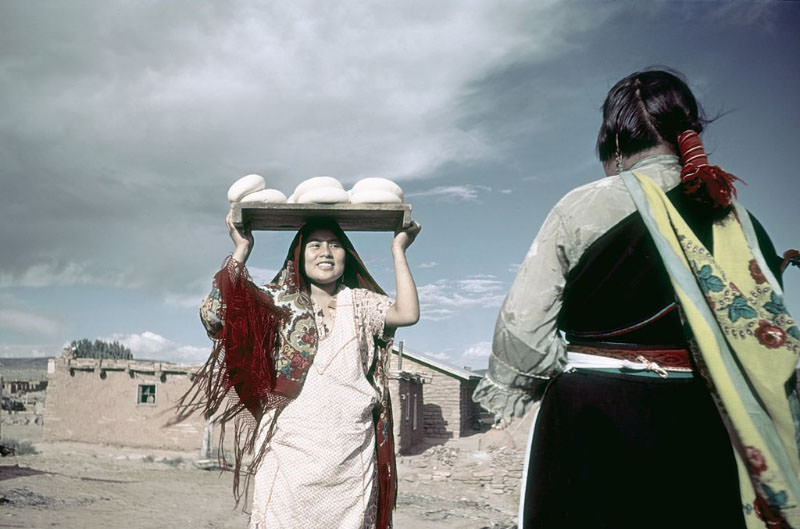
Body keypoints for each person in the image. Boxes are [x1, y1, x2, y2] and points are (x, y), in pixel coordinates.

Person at [472, 69, 800, 529]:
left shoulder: (582, 206)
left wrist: (528, 381)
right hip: (706, 419)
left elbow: (524, 329)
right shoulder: (738, 220)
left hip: (593, 417)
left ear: (615, 143)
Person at [175, 212, 421, 529]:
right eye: (315, 245)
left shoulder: (360, 303)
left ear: (347, 254)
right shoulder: (278, 301)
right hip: (289, 446)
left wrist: (399, 249)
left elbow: (407, 313)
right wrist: (242, 248)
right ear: (298, 255)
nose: (326, 252)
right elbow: (214, 313)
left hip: (350, 450)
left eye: (335, 245)